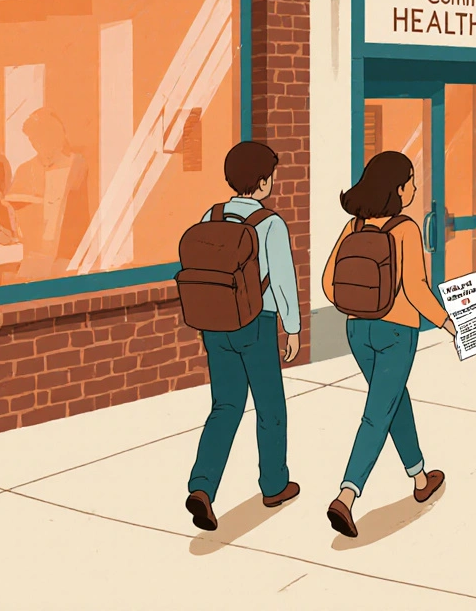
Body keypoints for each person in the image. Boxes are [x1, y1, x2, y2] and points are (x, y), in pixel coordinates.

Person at [320, 150, 457, 538]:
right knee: (378, 412)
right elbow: (415, 289)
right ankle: (346, 495)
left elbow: (329, 283)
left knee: (394, 400)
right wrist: (447, 322)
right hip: (396, 331)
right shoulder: (405, 229)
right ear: (398, 189)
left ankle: (419, 478)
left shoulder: (355, 227)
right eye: (411, 180)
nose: (414, 186)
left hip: (357, 330)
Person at [183, 141, 301, 532]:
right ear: (265, 182)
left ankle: (202, 486)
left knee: (225, 406)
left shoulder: (210, 215)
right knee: (270, 407)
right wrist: (294, 328)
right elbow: (283, 282)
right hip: (256, 323)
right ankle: (274, 484)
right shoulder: (270, 223)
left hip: (214, 323)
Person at [4, 108, 90, 279]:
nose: (37, 146)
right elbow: (12, 215)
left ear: (58, 138)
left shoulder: (77, 166)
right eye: (33, 141)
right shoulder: (26, 169)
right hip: (34, 254)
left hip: (67, 254)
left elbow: (81, 216)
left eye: (41, 140)